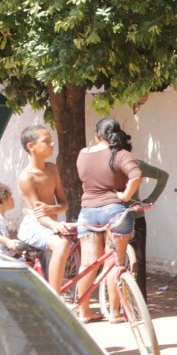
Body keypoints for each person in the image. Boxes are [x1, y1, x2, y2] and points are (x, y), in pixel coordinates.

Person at [76, 118, 142, 324]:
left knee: (87, 263)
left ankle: (84, 311)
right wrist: (125, 195)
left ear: (97, 135)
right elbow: (136, 175)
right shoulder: (120, 154)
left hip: (88, 212)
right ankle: (114, 312)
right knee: (114, 261)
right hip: (115, 212)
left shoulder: (83, 154)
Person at [17, 125, 72, 293]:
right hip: (34, 226)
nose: (52, 144)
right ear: (31, 146)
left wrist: (52, 209)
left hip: (49, 225)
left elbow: (64, 204)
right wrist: (54, 223)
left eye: (51, 141)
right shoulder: (27, 177)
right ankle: (56, 299)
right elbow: (39, 215)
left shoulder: (53, 169)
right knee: (62, 244)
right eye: (46, 141)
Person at [130, 160, 168, 301]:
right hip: (132, 215)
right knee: (137, 261)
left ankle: (131, 304)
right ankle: (139, 302)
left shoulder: (111, 163)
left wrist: (150, 199)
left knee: (128, 262)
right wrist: (150, 200)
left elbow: (163, 176)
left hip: (121, 216)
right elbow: (163, 176)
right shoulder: (134, 163)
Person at [0, 183, 20, 255]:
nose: (13, 198)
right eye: (10, 195)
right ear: (2, 198)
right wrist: (7, 241)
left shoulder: (3, 219)